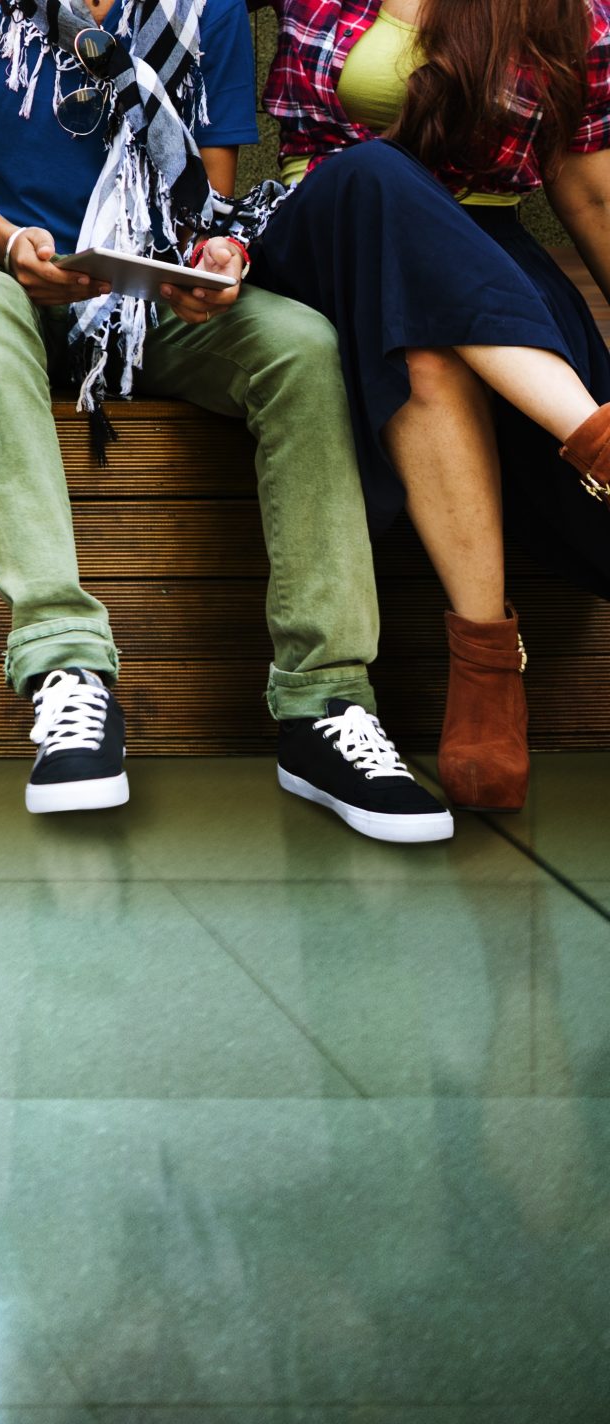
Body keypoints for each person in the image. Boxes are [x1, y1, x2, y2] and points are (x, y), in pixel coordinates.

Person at [0, 0, 454, 843]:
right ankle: (66, 669)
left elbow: (207, 197)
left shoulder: (206, 11)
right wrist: (11, 240)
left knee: (302, 347)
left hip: (138, 292)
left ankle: (324, 702)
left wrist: (215, 260)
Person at [255, 0, 610, 815]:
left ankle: (487, 667)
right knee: (374, 172)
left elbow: (588, 195)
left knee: (425, 346)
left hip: (482, 257)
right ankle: (592, 438)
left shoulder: (572, 11)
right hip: (324, 239)